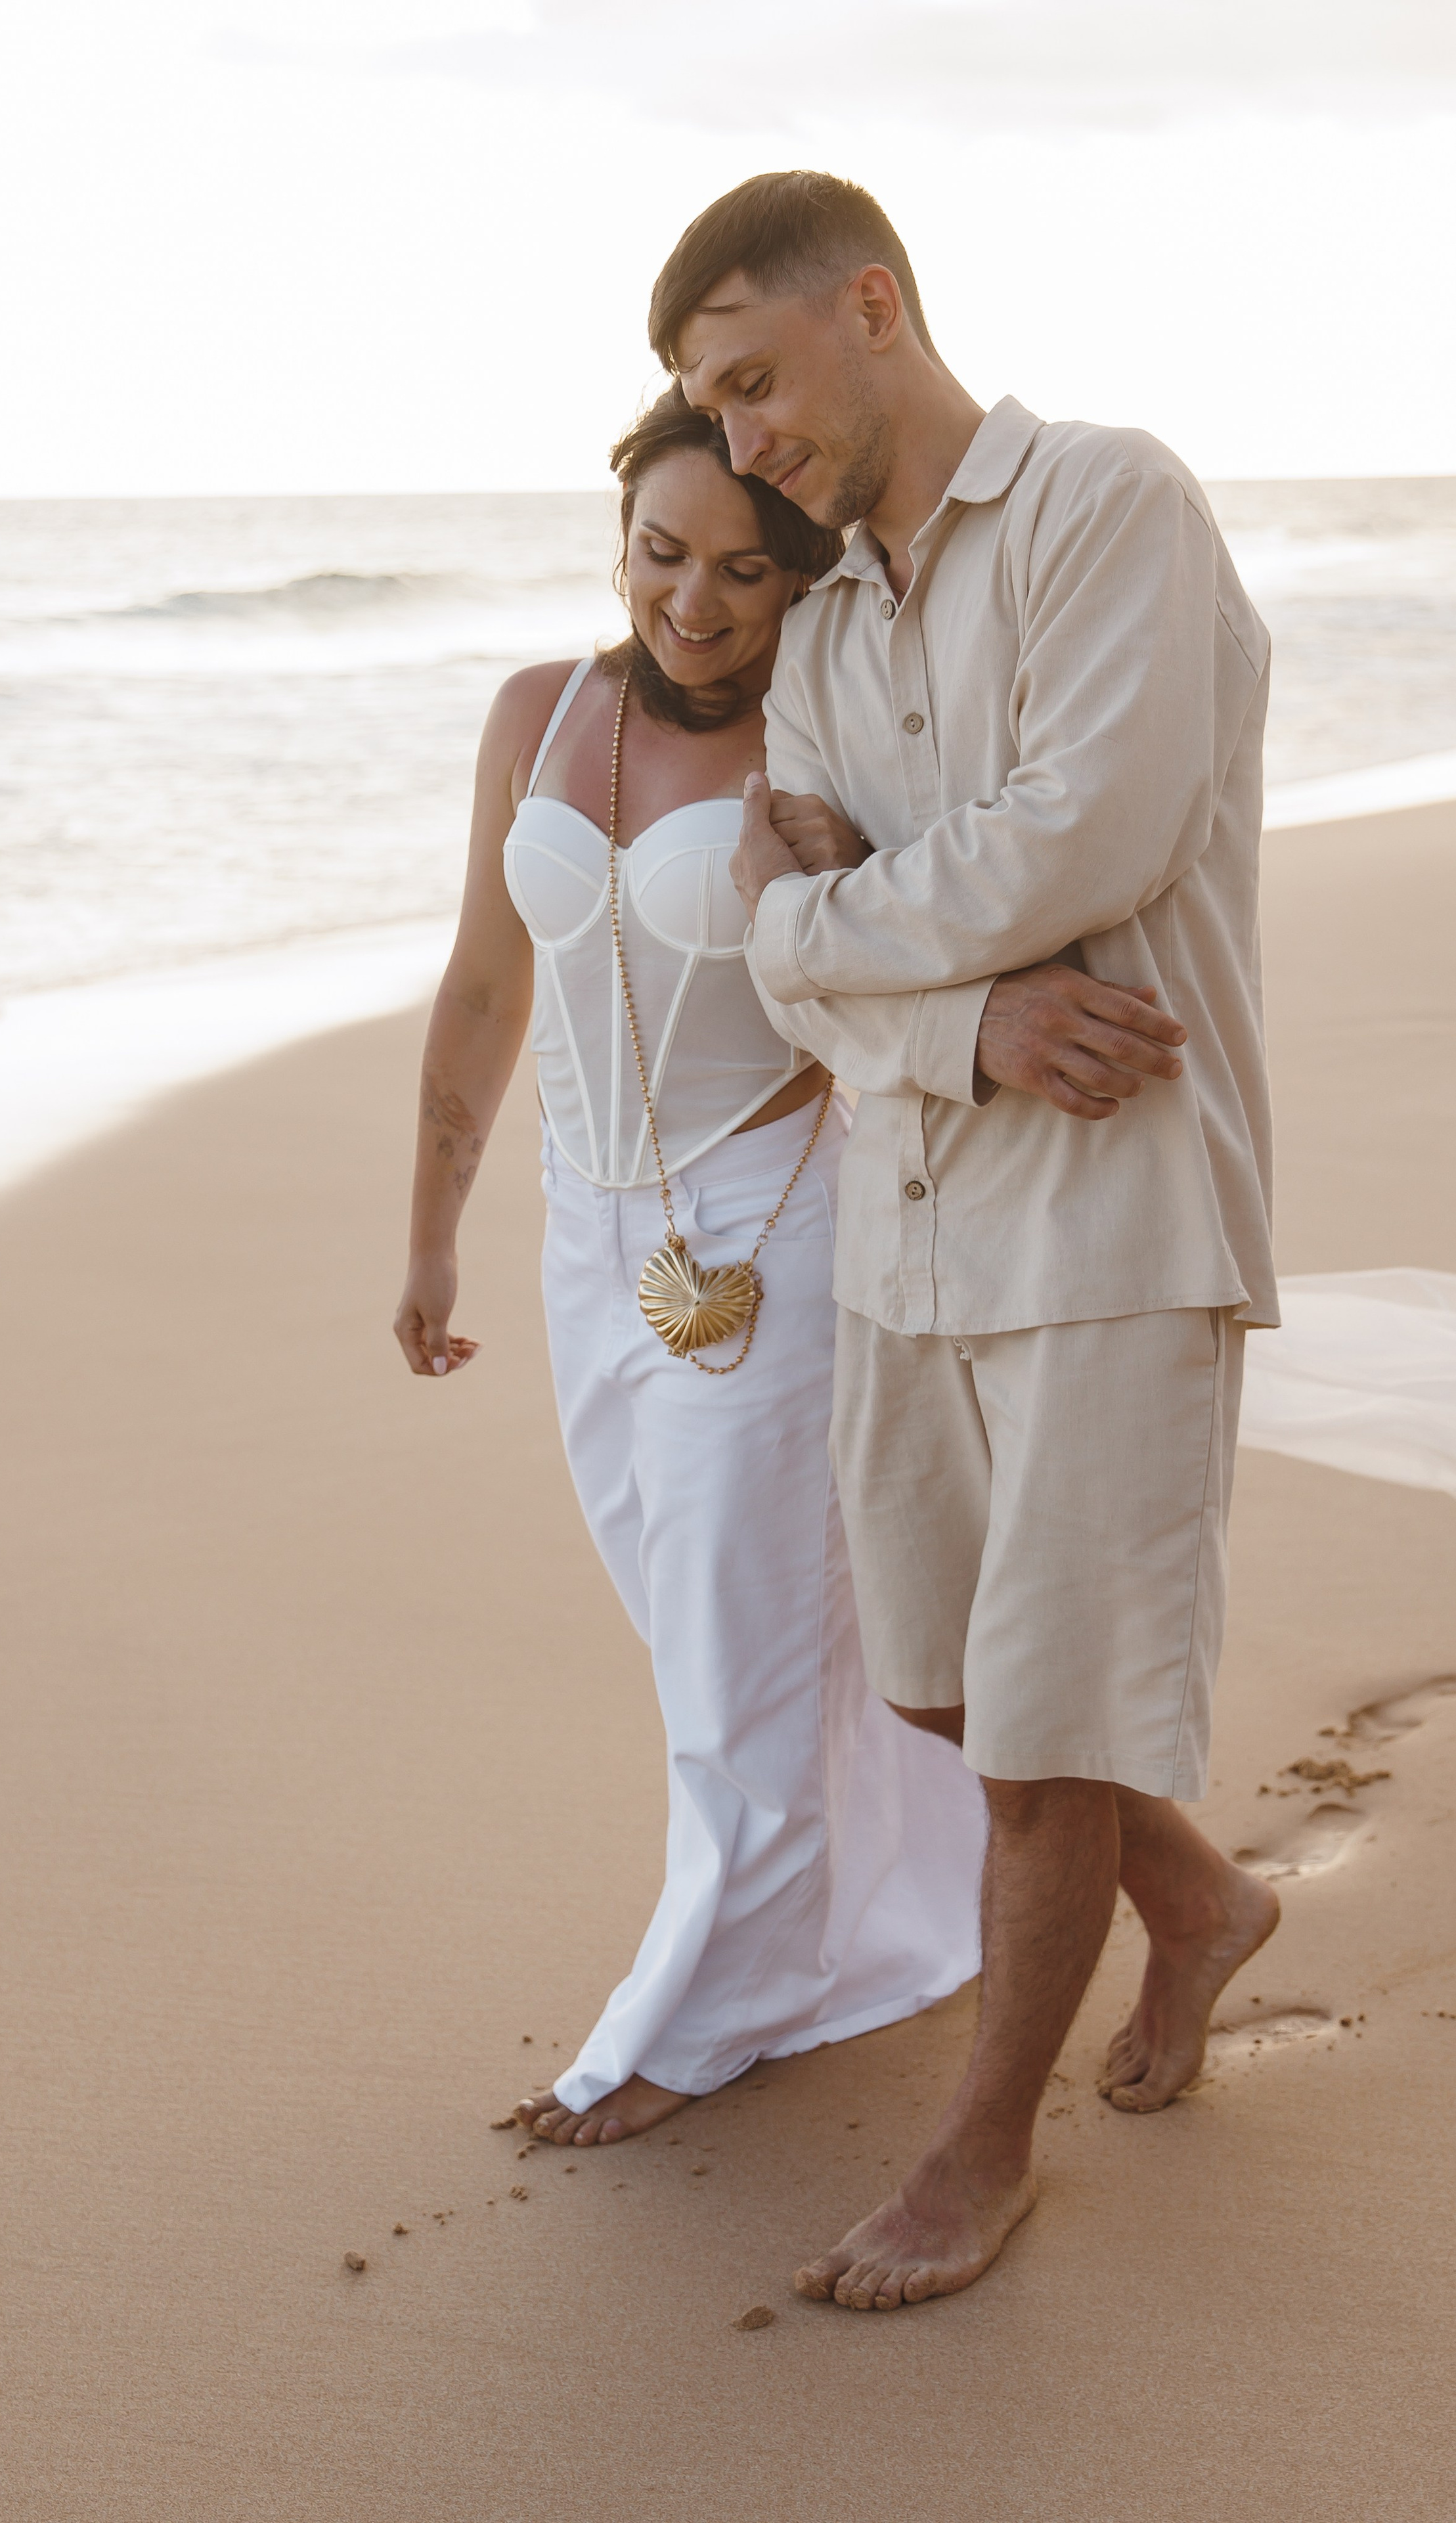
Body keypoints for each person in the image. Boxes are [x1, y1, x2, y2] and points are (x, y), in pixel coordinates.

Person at [393, 386, 1158, 2145]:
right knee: (722, 1634)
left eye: (745, 570)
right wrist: (432, 1233)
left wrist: (965, 988)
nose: (695, 600)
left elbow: (907, 957)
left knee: (743, 1659)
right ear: (621, 543)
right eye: (663, 554)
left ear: (803, 580)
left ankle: (697, 2020)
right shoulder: (537, 711)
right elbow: (486, 985)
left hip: (776, 1227)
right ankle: (1163, 1885)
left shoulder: (827, 747)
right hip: (587, 1235)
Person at [651, 168, 1282, 2304]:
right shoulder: (827, 625)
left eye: (756, 382)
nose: (745, 440)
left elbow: (1080, 834)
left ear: (873, 305)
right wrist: (969, 1016)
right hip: (910, 1222)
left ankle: (978, 2156)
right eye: (711, 415)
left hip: (1117, 1208)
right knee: (939, 1686)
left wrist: (827, 920)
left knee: (1041, 1737)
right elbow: (801, 974)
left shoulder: (1111, 503)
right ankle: (1201, 1900)